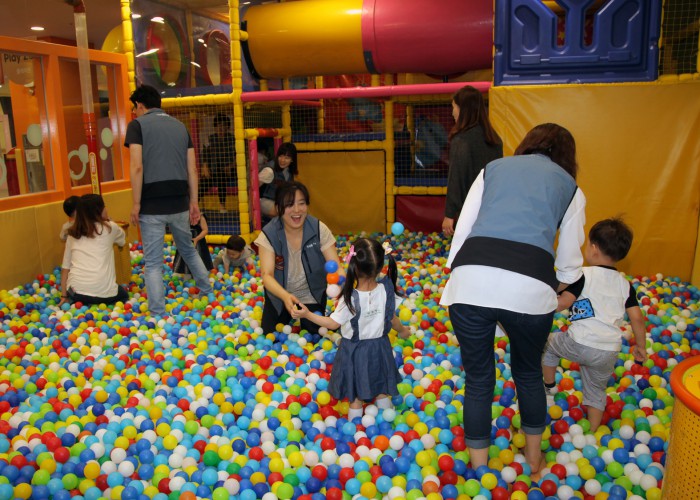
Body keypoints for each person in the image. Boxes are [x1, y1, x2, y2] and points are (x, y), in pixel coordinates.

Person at [440, 123, 586, 475]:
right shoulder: (570, 187)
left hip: (470, 280)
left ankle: (480, 470)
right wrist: (554, 287)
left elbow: (462, 233)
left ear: (527, 145)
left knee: (478, 379)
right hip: (530, 287)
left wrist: (462, 275)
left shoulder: (493, 169)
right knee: (528, 372)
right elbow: (569, 264)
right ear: (567, 156)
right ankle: (534, 461)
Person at [542, 217, 647, 432]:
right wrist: (641, 346)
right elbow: (637, 318)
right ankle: (591, 432)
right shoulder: (625, 285)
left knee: (549, 346)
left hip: (578, 342)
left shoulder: (583, 275)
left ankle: (549, 387)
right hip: (608, 350)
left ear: (594, 248)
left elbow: (564, 303)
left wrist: (541, 306)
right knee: (596, 390)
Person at [292, 238, 410, 421]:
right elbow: (391, 318)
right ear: (380, 267)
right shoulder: (386, 290)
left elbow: (332, 324)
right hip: (380, 348)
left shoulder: (349, 299)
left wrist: (307, 314)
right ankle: (388, 421)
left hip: (355, 351)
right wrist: (403, 331)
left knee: (355, 396)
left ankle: (355, 427)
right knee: (381, 387)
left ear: (354, 267)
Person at [125, 84, 213, 316]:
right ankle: (207, 290)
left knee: (153, 262)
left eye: (134, 108)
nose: (134, 112)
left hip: (151, 204)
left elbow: (137, 166)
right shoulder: (180, 127)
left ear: (140, 105)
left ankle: (157, 312)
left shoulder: (137, 126)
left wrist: (136, 203)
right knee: (187, 249)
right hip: (179, 202)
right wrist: (194, 202)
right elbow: (192, 169)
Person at [255, 181, 341, 336]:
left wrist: (346, 290)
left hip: (311, 294)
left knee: (315, 334)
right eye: (289, 205)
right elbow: (267, 275)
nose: (296, 210)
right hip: (280, 295)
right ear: (278, 208)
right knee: (270, 336)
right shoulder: (269, 233)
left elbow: (335, 266)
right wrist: (285, 296)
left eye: (301, 203)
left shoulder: (318, 229)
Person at [442, 85, 503, 236]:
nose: (452, 113)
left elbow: (456, 177)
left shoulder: (462, 140)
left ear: (463, 109)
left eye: (454, 107)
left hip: (470, 209)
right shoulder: (493, 138)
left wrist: (449, 214)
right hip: (491, 207)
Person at [60, 194, 128, 306]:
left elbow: (65, 268)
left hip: (75, 292)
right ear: (99, 211)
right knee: (124, 295)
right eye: (104, 206)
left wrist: (64, 296)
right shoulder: (110, 228)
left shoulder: (72, 233)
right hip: (104, 293)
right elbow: (122, 241)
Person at [201, 112, 236, 213]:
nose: (221, 128)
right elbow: (205, 154)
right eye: (218, 126)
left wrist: (231, 166)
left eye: (224, 125)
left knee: (221, 177)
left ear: (227, 127)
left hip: (229, 170)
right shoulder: (210, 139)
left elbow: (238, 155)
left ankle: (222, 206)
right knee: (203, 182)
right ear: (215, 127)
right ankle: (193, 206)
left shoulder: (232, 139)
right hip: (214, 170)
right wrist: (205, 168)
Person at [259, 142, 298, 219]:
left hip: (278, 202)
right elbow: (252, 188)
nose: (282, 160)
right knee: (285, 212)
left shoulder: (288, 171)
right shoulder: (269, 171)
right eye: (281, 156)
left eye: (287, 158)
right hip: (263, 201)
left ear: (292, 160)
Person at [172, 214, 214, 278]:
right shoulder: (181, 216)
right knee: (183, 257)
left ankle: (199, 273)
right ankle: (186, 272)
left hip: (198, 241)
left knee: (199, 256)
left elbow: (205, 230)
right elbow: (177, 229)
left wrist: (197, 239)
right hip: (184, 241)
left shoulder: (200, 217)